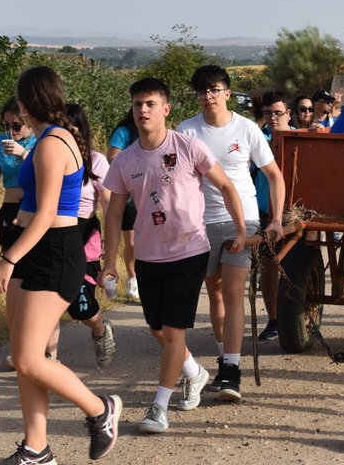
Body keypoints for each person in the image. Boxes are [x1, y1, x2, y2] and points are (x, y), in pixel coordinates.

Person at [0, 66, 121, 465]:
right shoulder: (49, 138)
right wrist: (14, 249)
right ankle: (36, 448)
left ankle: (100, 410)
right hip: (33, 249)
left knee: (27, 358)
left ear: (26, 103)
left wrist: (7, 260)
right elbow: (30, 205)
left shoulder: (52, 143)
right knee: (30, 355)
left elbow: (45, 214)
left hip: (54, 252)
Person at [100, 77, 246, 434]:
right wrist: (109, 261)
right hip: (149, 257)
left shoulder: (188, 147)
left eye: (150, 104)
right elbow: (115, 214)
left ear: (165, 109)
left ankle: (158, 407)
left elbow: (226, 186)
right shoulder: (124, 161)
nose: (143, 110)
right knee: (157, 328)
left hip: (189, 250)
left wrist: (241, 229)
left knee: (174, 331)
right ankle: (194, 372)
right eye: (137, 105)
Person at [177, 66, 284, 401]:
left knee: (234, 291)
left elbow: (274, 175)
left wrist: (276, 220)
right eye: (202, 92)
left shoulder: (247, 129)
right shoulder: (187, 131)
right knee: (216, 291)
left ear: (227, 92)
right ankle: (224, 359)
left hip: (244, 219)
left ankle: (232, 370)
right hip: (200, 221)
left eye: (214, 90)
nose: (208, 97)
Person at [0, 96, 40, 367]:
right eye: (6, 126)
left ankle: (39, 347)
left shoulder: (40, 141)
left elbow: (45, 174)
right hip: (9, 208)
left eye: (16, 126)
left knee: (33, 273)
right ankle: (19, 345)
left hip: (33, 210)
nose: (11, 132)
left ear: (27, 120)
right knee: (13, 273)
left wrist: (23, 153)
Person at [64, 104, 117, 368]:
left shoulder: (96, 161)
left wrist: (110, 241)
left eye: (71, 128)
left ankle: (99, 330)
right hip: (53, 236)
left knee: (81, 306)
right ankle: (45, 357)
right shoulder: (49, 156)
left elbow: (108, 205)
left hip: (84, 236)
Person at [252, 91, 293, 344]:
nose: (273, 118)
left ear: (288, 113)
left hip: (293, 209)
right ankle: (274, 320)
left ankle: (294, 317)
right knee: (268, 265)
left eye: (278, 113)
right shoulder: (256, 138)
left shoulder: (299, 137)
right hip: (262, 209)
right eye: (268, 113)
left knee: (294, 264)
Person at [106, 108, 140, 302]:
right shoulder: (124, 132)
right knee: (132, 242)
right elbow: (112, 157)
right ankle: (133, 277)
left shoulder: (158, 132)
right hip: (128, 193)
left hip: (152, 193)